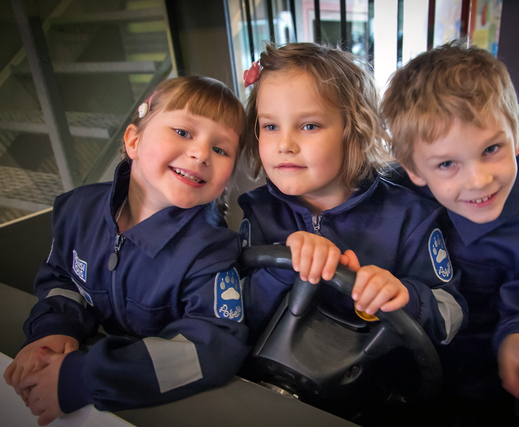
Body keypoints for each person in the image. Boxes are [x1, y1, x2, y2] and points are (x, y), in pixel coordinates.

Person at [3, 76, 250, 425]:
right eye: (183, 132)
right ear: (134, 141)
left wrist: (87, 377)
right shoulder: (76, 210)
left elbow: (212, 345)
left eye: (221, 149)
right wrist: (54, 327)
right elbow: (62, 277)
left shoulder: (212, 251)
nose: (200, 153)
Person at [381, 41, 519, 425]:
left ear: (517, 134)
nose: (478, 180)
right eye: (447, 163)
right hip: (389, 363)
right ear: (414, 170)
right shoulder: (395, 190)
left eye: (492, 148)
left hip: (473, 386)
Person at [238, 42, 466, 350]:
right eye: (270, 126)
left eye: (308, 126)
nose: (285, 144)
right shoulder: (259, 212)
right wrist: (280, 269)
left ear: (354, 128)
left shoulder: (410, 217)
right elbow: (233, 315)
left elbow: (452, 315)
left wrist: (406, 297)